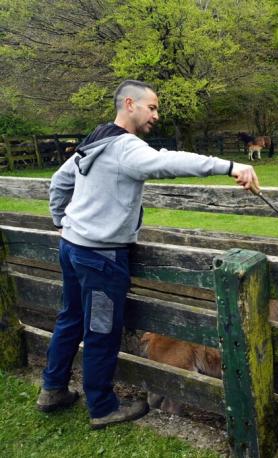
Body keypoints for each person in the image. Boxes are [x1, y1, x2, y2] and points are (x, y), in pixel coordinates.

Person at [37, 80, 260, 429]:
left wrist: (60, 220)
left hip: (72, 247)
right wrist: (230, 167)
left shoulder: (94, 141)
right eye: (152, 107)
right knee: (101, 331)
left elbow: (60, 183)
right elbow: (167, 161)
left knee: (70, 319)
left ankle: (52, 390)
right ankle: (102, 408)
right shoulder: (125, 148)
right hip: (100, 257)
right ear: (130, 104)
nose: (156, 114)